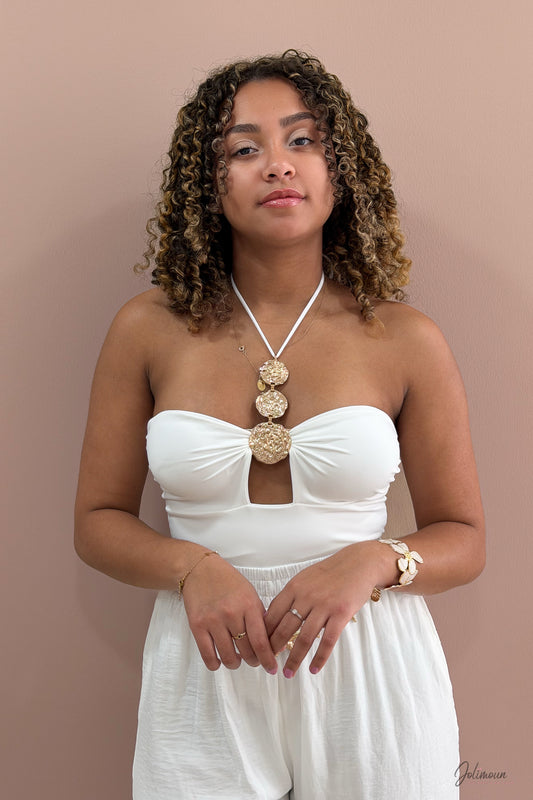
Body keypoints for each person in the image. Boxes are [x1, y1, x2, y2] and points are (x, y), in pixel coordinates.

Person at [74, 50, 485, 799]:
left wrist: (371, 562)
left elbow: (463, 538)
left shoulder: (404, 338)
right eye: (243, 148)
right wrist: (190, 567)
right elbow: (97, 522)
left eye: (302, 140)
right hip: (205, 664)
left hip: (369, 666)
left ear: (340, 170)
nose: (277, 165)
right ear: (208, 182)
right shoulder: (146, 329)